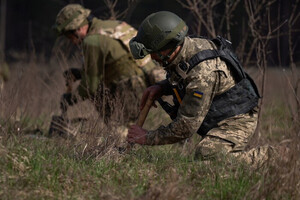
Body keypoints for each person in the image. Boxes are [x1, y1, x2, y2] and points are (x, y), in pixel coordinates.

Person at [127, 11, 274, 166]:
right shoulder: (185, 48)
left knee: (208, 157)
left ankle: (273, 157)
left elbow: (185, 127)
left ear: (167, 46)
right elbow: (182, 76)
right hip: (219, 115)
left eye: (154, 53)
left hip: (236, 119)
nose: (152, 58)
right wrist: (161, 87)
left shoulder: (202, 73)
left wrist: (146, 137)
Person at [52, 4, 164, 136]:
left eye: (70, 36)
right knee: (127, 128)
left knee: (121, 131)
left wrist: (71, 99)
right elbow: (115, 63)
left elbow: (90, 87)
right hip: (149, 83)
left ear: (79, 28)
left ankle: (123, 149)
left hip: (131, 88)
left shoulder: (91, 41)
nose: (72, 42)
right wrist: (80, 73)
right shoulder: (113, 26)